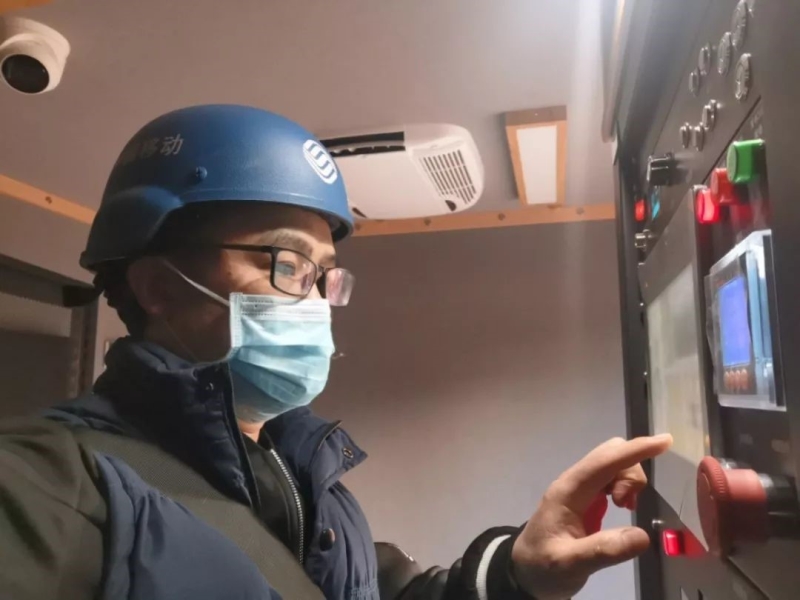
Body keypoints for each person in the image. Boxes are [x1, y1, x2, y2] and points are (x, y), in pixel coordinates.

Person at [0, 104, 672, 600]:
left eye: (325, 276)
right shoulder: (51, 485)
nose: (318, 301)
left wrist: (516, 572)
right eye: (287, 263)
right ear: (158, 287)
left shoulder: (309, 480)